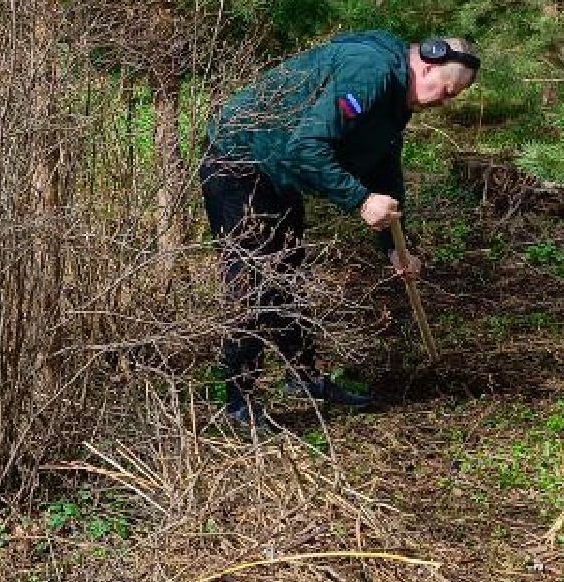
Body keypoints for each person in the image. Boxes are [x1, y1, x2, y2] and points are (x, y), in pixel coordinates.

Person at [200, 32, 480, 432]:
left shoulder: (396, 98)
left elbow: (386, 174)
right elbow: (306, 148)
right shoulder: (370, 73)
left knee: (286, 273)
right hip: (239, 161)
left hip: (276, 172)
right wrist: (361, 201)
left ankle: (303, 379)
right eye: (447, 91)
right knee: (254, 280)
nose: (444, 102)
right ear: (428, 65)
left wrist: (395, 248)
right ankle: (237, 404)